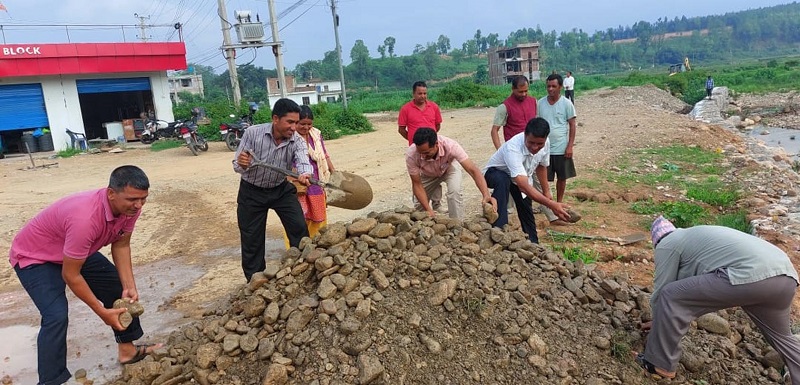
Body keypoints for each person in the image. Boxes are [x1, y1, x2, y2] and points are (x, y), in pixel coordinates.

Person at [9, 165, 161, 385]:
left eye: (143, 199)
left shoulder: (129, 208)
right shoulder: (85, 218)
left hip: (73, 250)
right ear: (111, 193)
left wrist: (129, 285)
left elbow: (121, 244)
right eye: (132, 199)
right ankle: (52, 381)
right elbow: (71, 276)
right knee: (56, 315)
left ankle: (127, 351)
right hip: (36, 258)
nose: (138, 205)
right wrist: (102, 312)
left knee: (117, 286)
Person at [637, 216, 800, 381]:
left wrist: (658, 320)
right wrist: (664, 319)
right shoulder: (694, 237)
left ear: (657, 240)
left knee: (670, 294)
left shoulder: (667, 243)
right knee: (782, 337)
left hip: (752, 275)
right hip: (785, 277)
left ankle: (659, 365)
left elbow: (663, 289)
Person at [233, 98, 312, 282]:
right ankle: (255, 281)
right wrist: (242, 163)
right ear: (275, 119)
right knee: (252, 240)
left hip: (280, 189)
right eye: (290, 122)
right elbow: (238, 164)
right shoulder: (253, 133)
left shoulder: (296, 140)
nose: (294, 127)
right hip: (251, 192)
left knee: (299, 228)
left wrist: (304, 174)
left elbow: (303, 162)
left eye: (296, 122)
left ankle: (302, 271)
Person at [484, 117, 570, 244]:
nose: (535, 147)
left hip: (518, 178)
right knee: (503, 180)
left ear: (546, 138)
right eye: (531, 142)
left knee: (526, 207)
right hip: (494, 174)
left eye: (539, 144)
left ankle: (533, 243)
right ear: (525, 135)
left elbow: (541, 166)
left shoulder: (545, 143)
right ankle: (499, 232)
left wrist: (546, 192)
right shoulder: (513, 148)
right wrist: (551, 204)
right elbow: (523, 185)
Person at [406, 127, 497, 219]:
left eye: (426, 152)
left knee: (454, 193)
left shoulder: (451, 146)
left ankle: (457, 224)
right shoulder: (412, 154)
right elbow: (417, 184)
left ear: (436, 144)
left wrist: (486, 194)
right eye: (420, 152)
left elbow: (473, 171)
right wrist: (428, 210)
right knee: (419, 208)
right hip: (427, 174)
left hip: (449, 168)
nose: (423, 156)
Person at [283, 105, 335, 247]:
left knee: (318, 215)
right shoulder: (289, 137)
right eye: (302, 124)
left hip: (316, 181)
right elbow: (285, 161)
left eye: (309, 124)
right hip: (297, 182)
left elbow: (324, 154)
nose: (306, 127)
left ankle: (318, 245)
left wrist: (332, 170)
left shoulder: (316, 134)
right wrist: (295, 174)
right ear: (295, 123)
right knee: (298, 217)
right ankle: (294, 248)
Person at [538, 73, 578, 226]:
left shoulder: (567, 104)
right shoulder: (540, 103)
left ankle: (559, 203)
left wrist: (570, 146)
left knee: (562, 178)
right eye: (548, 86)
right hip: (544, 149)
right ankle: (548, 204)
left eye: (554, 86)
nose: (550, 89)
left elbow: (572, 125)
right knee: (543, 180)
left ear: (560, 87)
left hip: (562, 148)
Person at [490, 75, 537, 150]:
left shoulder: (534, 102)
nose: (524, 94)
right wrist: (500, 152)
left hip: (532, 149)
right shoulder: (504, 106)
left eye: (526, 91)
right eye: (520, 92)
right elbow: (494, 131)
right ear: (513, 89)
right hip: (514, 149)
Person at [398, 81, 443, 146]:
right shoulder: (405, 109)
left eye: (425, 93)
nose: (422, 96)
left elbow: (437, 126)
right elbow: (401, 130)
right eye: (420, 93)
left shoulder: (434, 107)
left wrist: (429, 138)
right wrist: (415, 139)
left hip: (431, 146)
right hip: (415, 146)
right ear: (413, 94)